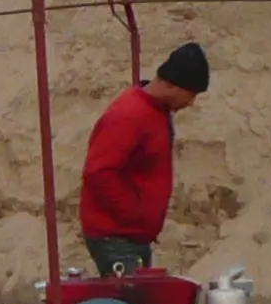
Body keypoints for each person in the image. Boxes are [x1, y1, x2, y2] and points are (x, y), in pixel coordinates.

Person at [76, 42, 209, 276]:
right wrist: (133, 215)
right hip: (116, 236)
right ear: (173, 85)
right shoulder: (129, 115)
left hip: (131, 235)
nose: (191, 103)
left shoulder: (156, 112)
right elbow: (99, 172)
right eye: (191, 95)